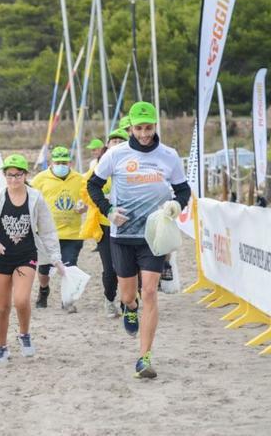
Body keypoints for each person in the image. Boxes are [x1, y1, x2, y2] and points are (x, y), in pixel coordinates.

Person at [88, 102, 191, 379]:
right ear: (130, 128)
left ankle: (144, 358)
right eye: (139, 128)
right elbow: (92, 185)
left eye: (149, 127)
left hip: (153, 235)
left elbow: (183, 190)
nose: (144, 134)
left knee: (149, 292)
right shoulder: (116, 154)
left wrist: (175, 206)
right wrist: (108, 210)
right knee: (128, 294)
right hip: (122, 236)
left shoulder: (168, 155)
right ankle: (129, 308)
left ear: (155, 126)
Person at [0, 154, 64, 361]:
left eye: (18, 175)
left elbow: (48, 230)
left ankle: (24, 334)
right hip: (1, 257)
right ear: (4, 176)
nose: (14, 180)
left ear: (25, 175)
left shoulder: (36, 198)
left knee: (21, 300)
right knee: (2, 306)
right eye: (9, 175)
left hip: (26, 255)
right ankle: (2, 345)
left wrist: (56, 258)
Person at [30, 146, 87, 310]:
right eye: (58, 162)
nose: (61, 165)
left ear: (70, 162)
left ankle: (68, 300)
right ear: (51, 162)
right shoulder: (40, 179)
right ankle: (43, 290)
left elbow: (89, 200)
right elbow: (30, 200)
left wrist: (84, 208)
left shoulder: (80, 179)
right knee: (43, 270)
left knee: (69, 268)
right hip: (46, 233)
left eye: (64, 162)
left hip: (72, 233)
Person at [80, 129, 129, 318]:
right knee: (110, 269)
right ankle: (109, 300)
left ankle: (128, 302)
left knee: (128, 268)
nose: (116, 144)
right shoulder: (99, 169)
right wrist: (103, 204)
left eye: (120, 141)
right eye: (113, 141)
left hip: (129, 225)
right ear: (106, 146)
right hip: (105, 226)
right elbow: (86, 190)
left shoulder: (133, 166)